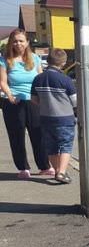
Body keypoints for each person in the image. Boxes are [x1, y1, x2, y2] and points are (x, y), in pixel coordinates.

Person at [0, 29, 52, 178]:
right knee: (16, 136)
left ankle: (44, 166)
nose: (18, 44)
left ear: (27, 42)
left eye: (21, 40)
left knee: (38, 134)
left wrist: (44, 98)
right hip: (13, 102)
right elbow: (3, 82)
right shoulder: (4, 60)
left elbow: (41, 79)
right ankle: (23, 168)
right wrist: (9, 95)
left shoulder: (35, 58)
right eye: (15, 41)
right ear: (11, 43)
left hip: (33, 102)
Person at [31, 49, 77, 184]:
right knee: (65, 145)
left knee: (50, 146)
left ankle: (57, 170)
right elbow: (75, 101)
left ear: (48, 61)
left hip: (45, 118)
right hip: (64, 118)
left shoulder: (38, 79)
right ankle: (62, 173)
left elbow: (34, 99)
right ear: (63, 63)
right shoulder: (65, 79)